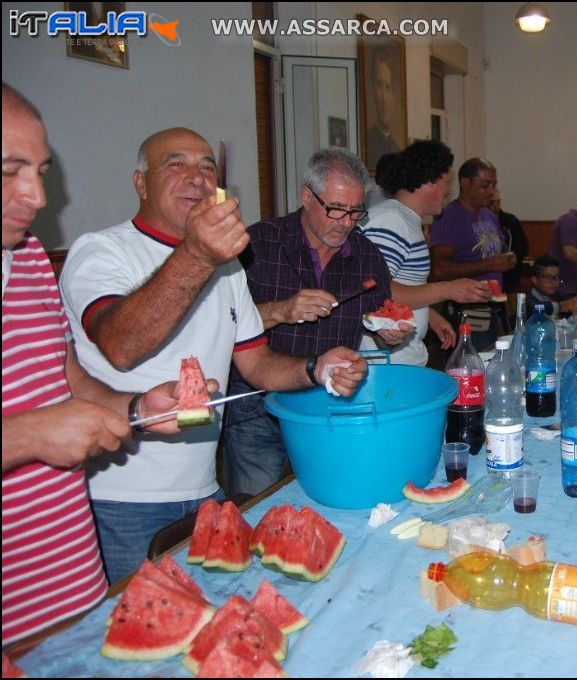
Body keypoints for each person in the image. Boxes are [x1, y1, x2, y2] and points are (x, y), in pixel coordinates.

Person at [58, 128, 369, 583]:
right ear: (140, 182)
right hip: (122, 497)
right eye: (176, 164)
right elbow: (121, 345)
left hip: (205, 490)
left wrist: (315, 368)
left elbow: (256, 363)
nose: (197, 177)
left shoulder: (225, 269)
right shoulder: (101, 251)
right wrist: (198, 254)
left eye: (207, 167)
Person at [1, 85, 214, 643]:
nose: (38, 197)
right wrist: (24, 436)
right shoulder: (102, 251)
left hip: (71, 582)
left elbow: (67, 375)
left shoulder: (26, 260)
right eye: (10, 169)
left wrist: (138, 407)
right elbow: (118, 344)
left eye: (41, 171)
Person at [219, 148, 409, 498]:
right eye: (335, 209)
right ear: (307, 196)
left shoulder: (367, 257)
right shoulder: (257, 244)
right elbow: (217, 326)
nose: (345, 222)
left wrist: (389, 334)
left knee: (329, 496)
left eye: (355, 212)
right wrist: (281, 311)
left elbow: (378, 328)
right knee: (259, 505)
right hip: (256, 402)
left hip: (326, 399)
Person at [361, 139, 491, 365]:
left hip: (399, 356)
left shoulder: (404, 220)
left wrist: (428, 314)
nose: (449, 191)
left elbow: (402, 284)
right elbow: (376, 290)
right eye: (447, 182)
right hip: (386, 360)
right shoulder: (391, 221)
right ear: (429, 180)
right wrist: (449, 289)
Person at [429, 157, 517, 350]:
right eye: (485, 185)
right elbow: (439, 269)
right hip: (465, 313)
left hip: (492, 309)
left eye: (494, 185)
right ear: (465, 183)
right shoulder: (449, 217)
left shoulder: (488, 214)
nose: (492, 192)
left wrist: (507, 258)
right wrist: (490, 265)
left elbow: (497, 250)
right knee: (469, 370)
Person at [365, 45, 401, 172]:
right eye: (379, 85)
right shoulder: (367, 142)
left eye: (388, 87)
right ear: (372, 89)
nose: (384, 98)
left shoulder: (398, 150)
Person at [490, 189, 529, 297]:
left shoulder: (510, 221)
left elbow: (522, 247)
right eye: (492, 203)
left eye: (498, 202)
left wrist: (512, 259)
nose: (496, 207)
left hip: (510, 278)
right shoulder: (478, 222)